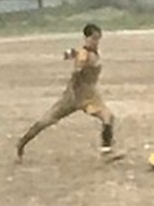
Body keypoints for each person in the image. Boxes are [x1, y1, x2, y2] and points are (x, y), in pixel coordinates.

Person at [16, 23, 119, 162]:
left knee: (108, 117)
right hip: (73, 96)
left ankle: (106, 152)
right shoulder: (84, 55)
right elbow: (77, 69)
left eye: (98, 38)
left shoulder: (90, 52)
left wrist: (70, 53)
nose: (96, 41)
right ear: (87, 38)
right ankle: (22, 143)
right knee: (46, 121)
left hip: (90, 96)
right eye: (94, 38)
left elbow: (75, 53)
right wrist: (75, 77)